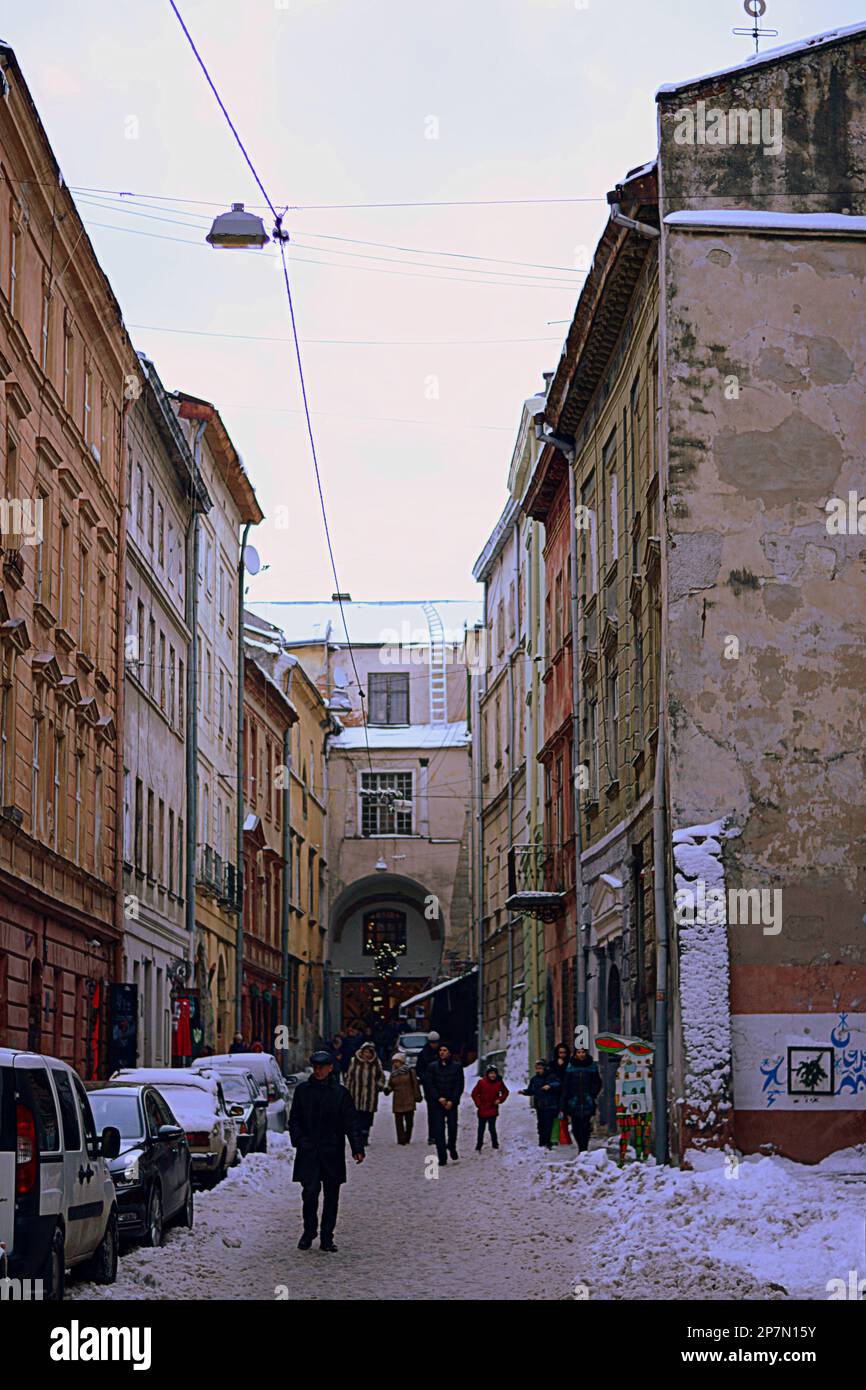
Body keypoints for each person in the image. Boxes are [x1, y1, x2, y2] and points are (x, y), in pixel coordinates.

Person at [288, 1050, 365, 1252]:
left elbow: (351, 1122)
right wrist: (299, 1140)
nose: (319, 1070)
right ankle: (309, 1230)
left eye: (322, 1067)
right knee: (310, 1193)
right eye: (316, 1067)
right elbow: (294, 1119)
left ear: (330, 1068)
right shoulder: (303, 1091)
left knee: (332, 1196)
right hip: (309, 1150)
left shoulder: (340, 1093)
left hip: (332, 1151)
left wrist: (357, 1147)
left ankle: (326, 1236)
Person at [425, 1043, 464, 1165]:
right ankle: (442, 1156)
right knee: (439, 1130)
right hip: (437, 1103)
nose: (442, 1052)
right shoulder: (432, 1067)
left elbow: (459, 1085)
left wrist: (452, 1100)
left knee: (452, 1127)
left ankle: (451, 1146)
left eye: (445, 1050)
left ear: (449, 1052)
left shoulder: (457, 1067)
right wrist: (438, 1098)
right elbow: (430, 1085)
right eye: (440, 1050)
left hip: (451, 1103)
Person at [560, 1045, 602, 1152]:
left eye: (583, 1052)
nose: (581, 1054)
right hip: (574, 1101)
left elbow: (597, 1082)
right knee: (576, 1126)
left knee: (585, 1125)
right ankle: (580, 1145)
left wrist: (592, 1093)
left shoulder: (591, 1066)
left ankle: (584, 1147)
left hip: (587, 1100)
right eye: (579, 1052)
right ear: (575, 1054)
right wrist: (566, 1099)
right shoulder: (570, 1067)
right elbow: (566, 1085)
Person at [345, 1041, 386, 1143]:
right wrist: (347, 1090)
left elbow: (381, 1076)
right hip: (356, 1094)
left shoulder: (376, 1063)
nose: (367, 1054)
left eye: (369, 1052)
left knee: (367, 1118)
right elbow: (349, 1077)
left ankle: (365, 1136)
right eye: (365, 1052)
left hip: (370, 1095)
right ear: (362, 1052)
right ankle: (357, 1137)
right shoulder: (354, 1061)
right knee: (357, 1117)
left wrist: (379, 1085)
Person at [520, 1060, 561, 1148]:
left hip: (550, 1105)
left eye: (540, 1068)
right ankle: (542, 1142)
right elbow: (531, 1090)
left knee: (548, 1125)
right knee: (541, 1124)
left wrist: (550, 1086)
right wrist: (524, 1092)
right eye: (537, 1068)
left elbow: (558, 1084)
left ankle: (548, 1143)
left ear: (545, 1068)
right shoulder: (534, 1079)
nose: (538, 1070)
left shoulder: (552, 1076)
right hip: (540, 1105)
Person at [384, 1052, 422, 1144]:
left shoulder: (410, 1071)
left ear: (402, 1062)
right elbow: (390, 1085)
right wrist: (387, 1089)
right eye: (394, 1062)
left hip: (409, 1098)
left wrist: (417, 1096)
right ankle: (401, 1139)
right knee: (398, 1121)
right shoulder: (393, 1074)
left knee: (409, 1121)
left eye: (397, 1061)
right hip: (398, 1099)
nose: (395, 1064)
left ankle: (407, 1137)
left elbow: (415, 1084)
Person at [471, 1066, 509, 1151]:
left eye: (494, 1073)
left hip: (493, 1108)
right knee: (481, 1128)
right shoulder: (481, 1082)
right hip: (482, 1109)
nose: (492, 1075)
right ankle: (479, 1144)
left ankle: (495, 1144)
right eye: (490, 1073)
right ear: (487, 1074)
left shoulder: (499, 1083)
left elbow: (505, 1092)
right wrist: (479, 1104)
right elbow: (474, 1094)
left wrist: (500, 1099)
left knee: (492, 1128)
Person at [415, 1030, 440, 1144]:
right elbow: (419, 1069)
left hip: (441, 1084)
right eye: (432, 1042)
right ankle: (432, 1136)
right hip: (429, 1086)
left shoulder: (441, 1052)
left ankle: (439, 1134)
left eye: (435, 1042)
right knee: (432, 1111)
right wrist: (426, 1079)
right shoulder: (424, 1053)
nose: (434, 1044)